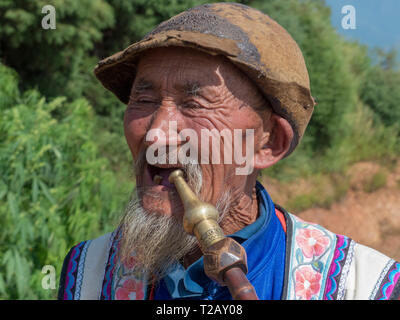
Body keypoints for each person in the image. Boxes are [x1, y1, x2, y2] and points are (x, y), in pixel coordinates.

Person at [58, 3, 400, 300]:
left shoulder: (365, 284)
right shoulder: (87, 272)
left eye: (194, 102)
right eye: (143, 100)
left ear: (269, 143)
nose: (156, 133)